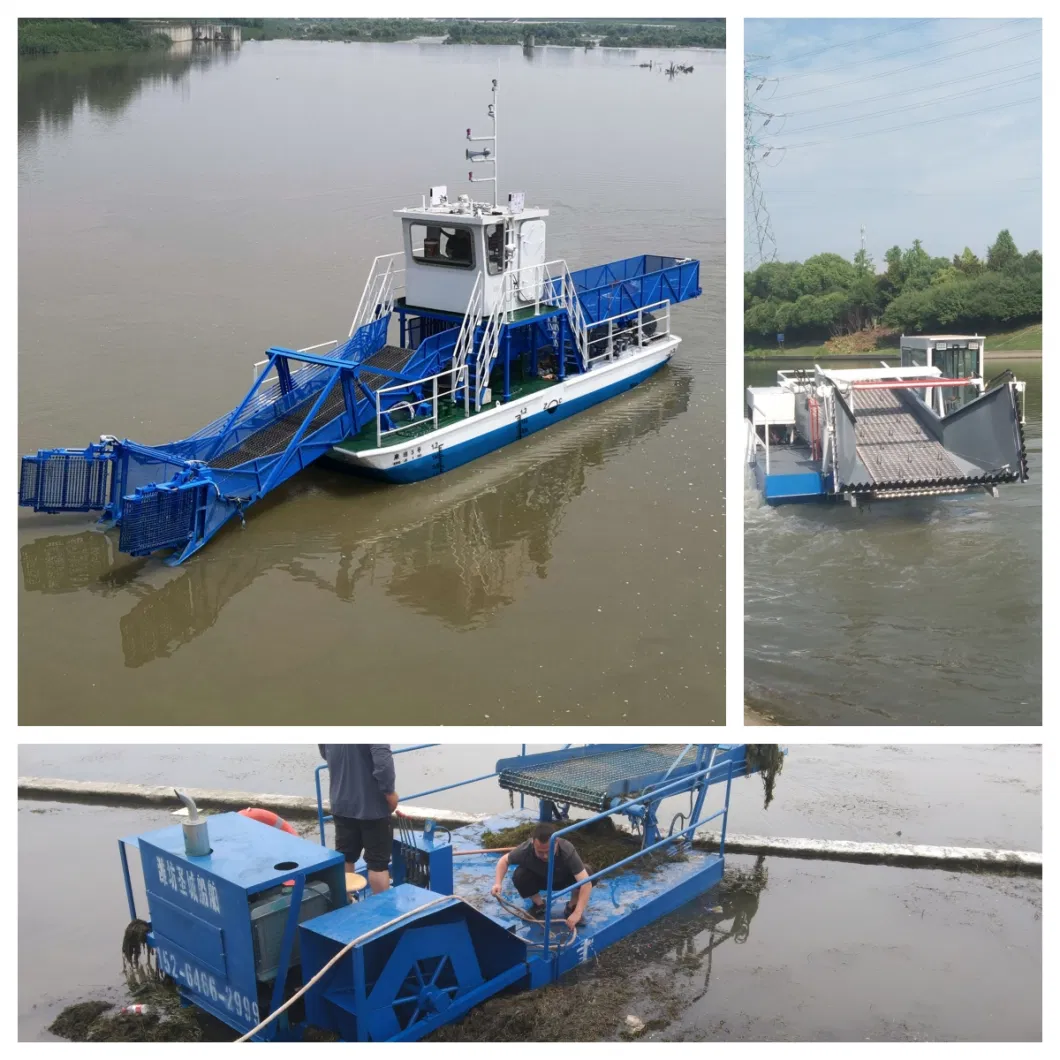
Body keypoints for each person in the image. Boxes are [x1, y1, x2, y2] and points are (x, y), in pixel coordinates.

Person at [318, 744, 398, 895]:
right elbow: (383, 764)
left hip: (341, 801)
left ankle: (346, 900)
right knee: (377, 863)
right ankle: (382, 911)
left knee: (345, 856)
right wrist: (389, 792)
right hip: (373, 807)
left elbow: (325, 752)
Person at [490, 823, 591, 928]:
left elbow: (586, 883)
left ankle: (572, 907)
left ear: (556, 843)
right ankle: (539, 905)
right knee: (519, 875)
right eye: (540, 852)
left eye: (548, 851)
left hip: (564, 881)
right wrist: (497, 883)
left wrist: (577, 913)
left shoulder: (567, 849)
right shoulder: (526, 849)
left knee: (588, 872)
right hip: (541, 881)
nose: (545, 856)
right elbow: (504, 861)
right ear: (533, 843)